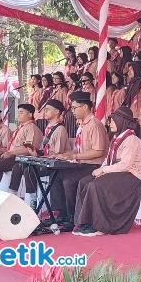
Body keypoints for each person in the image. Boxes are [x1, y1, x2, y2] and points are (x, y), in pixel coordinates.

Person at [73, 107, 141, 237]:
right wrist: (102, 169)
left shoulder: (131, 139)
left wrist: (103, 170)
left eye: (113, 121)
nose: (110, 124)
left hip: (131, 175)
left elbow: (126, 165)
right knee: (84, 182)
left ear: (121, 122)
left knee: (96, 185)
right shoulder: (117, 137)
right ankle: (84, 222)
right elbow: (108, 159)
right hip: (118, 172)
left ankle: (99, 226)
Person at [52, 91, 109, 224]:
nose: (72, 111)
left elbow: (98, 151)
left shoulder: (95, 125)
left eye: (74, 108)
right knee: (56, 175)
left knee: (69, 181)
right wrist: (66, 154)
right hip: (82, 164)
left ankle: (74, 217)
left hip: (95, 166)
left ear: (85, 107)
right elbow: (80, 148)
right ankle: (62, 211)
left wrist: (75, 155)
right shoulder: (83, 125)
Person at [14, 99, 70, 210]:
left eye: (48, 109)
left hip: (56, 164)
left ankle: (34, 202)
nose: (45, 112)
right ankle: (25, 198)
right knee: (21, 166)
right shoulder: (49, 128)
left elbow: (56, 154)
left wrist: (39, 156)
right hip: (46, 160)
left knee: (29, 171)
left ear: (57, 112)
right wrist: (37, 152)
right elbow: (46, 150)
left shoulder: (60, 129)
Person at [0, 104, 43, 188]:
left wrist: (11, 153)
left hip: (20, 158)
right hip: (13, 155)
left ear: (29, 115)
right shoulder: (21, 127)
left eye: (21, 113)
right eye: (18, 112)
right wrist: (3, 150)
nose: (18, 115)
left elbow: (29, 150)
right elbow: (15, 146)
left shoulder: (31, 128)